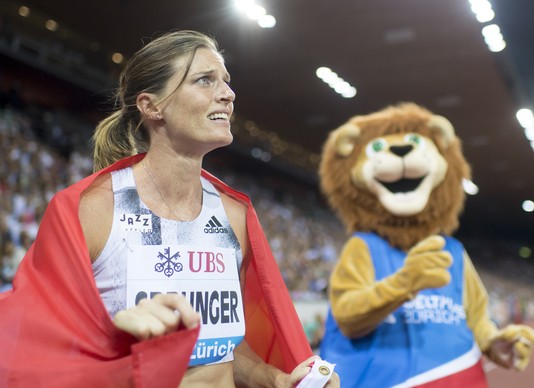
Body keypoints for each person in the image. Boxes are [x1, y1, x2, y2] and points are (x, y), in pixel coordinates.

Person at [0, 30, 339, 388]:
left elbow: (227, 346)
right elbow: (37, 347)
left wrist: (276, 380)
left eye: (226, 81)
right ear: (151, 106)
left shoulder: (233, 214)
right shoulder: (92, 209)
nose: (228, 93)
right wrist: (121, 348)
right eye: (205, 80)